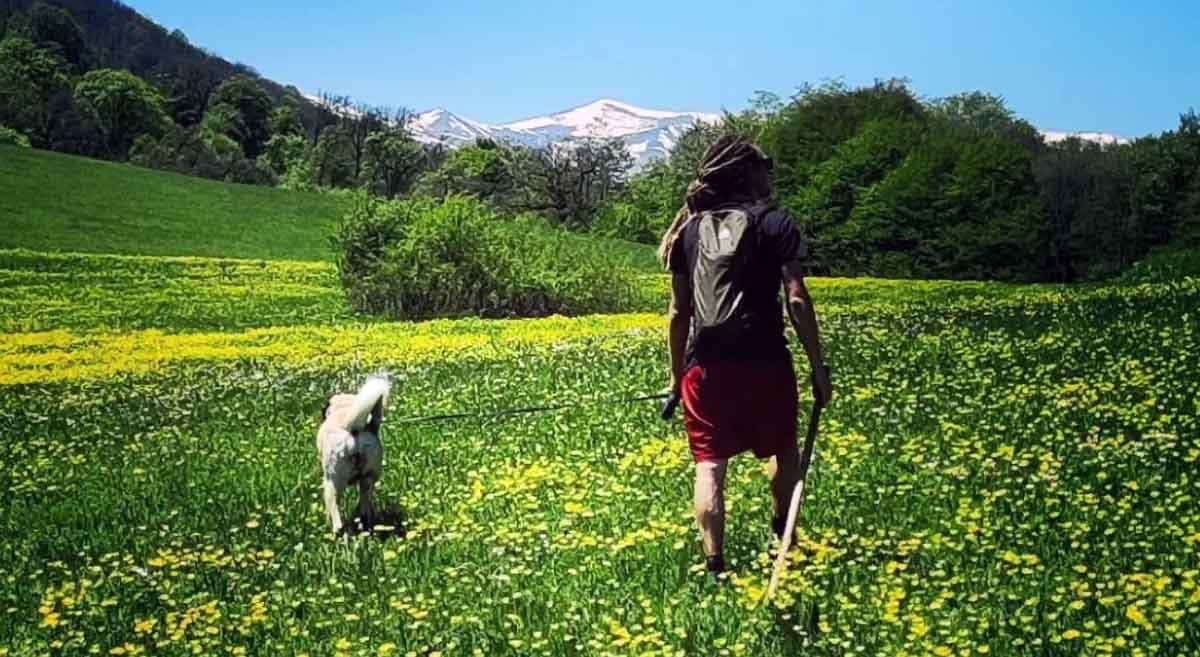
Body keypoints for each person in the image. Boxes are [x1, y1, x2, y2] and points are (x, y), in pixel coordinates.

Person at [659, 135, 832, 576]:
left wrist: (677, 377)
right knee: (784, 452)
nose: (770, 172)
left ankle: (716, 566)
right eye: (764, 164)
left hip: (705, 368)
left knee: (709, 466)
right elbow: (796, 299)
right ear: (746, 172)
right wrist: (817, 366)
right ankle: (785, 543)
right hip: (767, 361)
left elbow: (679, 313)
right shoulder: (775, 224)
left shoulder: (688, 231)